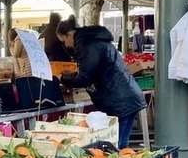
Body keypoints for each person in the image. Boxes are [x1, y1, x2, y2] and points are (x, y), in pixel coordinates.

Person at [56, 17, 145, 148]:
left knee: (116, 146)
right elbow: (95, 70)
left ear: (69, 34)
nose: (66, 46)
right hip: (125, 96)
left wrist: (64, 79)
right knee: (120, 144)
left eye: (64, 41)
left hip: (119, 100)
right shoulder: (95, 41)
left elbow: (86, 77)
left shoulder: (88, 45)